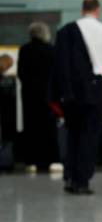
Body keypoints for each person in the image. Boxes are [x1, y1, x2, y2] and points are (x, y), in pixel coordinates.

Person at [51, 0, 102, 195]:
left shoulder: (66, 30)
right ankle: (83, 180)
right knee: (90, 135)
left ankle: (70, 177)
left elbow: (59, 63)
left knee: (73, 133)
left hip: (71, 91)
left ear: (82, 10)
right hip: (94, 88)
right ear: (97, 10)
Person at [17, 22, 60, 173]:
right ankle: (51, 160)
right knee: (49, 127)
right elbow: (56, 74)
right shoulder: (51, 50)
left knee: (31, 126)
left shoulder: (24, 49)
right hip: (48, 95)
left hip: (29, 94)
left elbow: (21, 73)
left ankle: (31, 161)